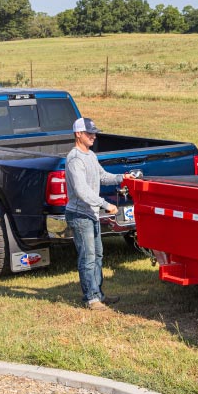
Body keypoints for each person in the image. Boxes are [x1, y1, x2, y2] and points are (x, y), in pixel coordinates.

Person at [65, 117, 130, 310]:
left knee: (98, 255)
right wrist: (105, 204)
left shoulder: (90, 155)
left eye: (94, 133)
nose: (93, 136)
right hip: (79, 215)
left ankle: (99, 294)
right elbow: (81, 191)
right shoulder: (74, 159)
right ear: (78, 134)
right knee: (88, 256)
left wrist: (121, 178)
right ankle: (91, 298)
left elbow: (102, 176)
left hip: (91, 214)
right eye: (89, 133)